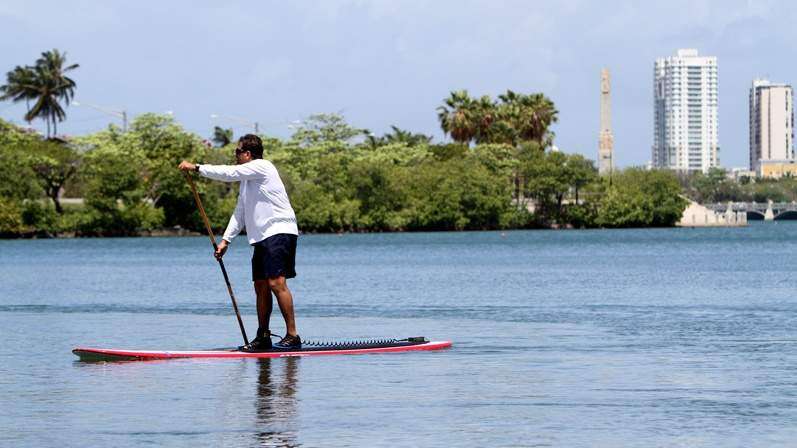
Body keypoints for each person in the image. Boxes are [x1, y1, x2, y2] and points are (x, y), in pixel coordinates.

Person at [178, 134, 301, 351]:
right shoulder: (246, 182)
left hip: (279, 231)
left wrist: (197, 167)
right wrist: (225, 241)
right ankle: (263, 336)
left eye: (237, 151)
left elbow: (229, 173)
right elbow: (240, 213)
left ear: (248, 154)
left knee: (276, 283)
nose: (235, 155)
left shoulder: (263, 166)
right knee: (260, 285)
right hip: (262, 237)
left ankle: (293, 335)